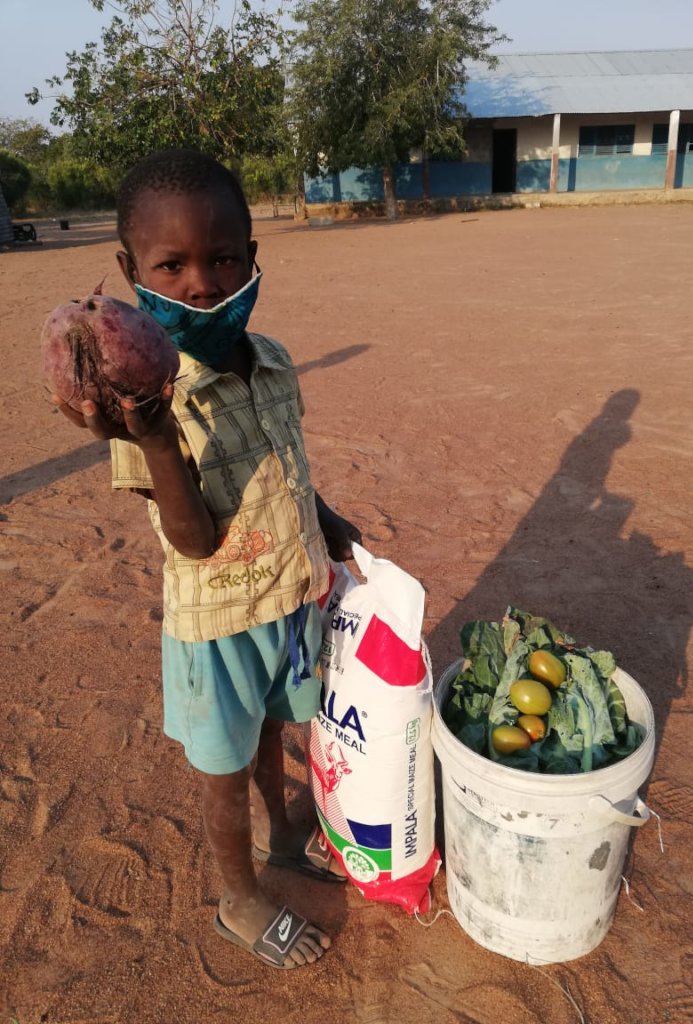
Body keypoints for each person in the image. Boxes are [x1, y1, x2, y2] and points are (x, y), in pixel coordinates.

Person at [51, 148, 361, 969]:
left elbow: (286, 461)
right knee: (224, 772)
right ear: (130, 271)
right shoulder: (141, 405)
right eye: (172, 265)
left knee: (272, 735)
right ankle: (239, 898)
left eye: (223, 259)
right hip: (217, 628)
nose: (201, 283)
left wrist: (326, 521)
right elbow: (193, 540)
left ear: (252, 259)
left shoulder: (278, 362)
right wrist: (155, 439)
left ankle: (286, 831)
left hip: (289, 599)